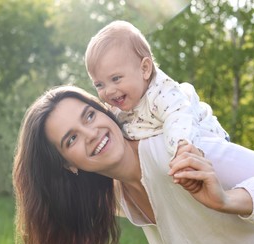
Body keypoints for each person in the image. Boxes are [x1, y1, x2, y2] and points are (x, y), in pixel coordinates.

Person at [12, 85, 254, 244]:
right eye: (72, 138)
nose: (91, 133)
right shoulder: (115, 196)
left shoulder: (174, 150)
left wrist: (228, 201)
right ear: (67, 166)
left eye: (89, 116)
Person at [85, 20, 230, 159]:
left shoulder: (162, 92)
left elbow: (179, 117)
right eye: (99, 85)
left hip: (208, 142)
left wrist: (181, 149)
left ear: (145, 69)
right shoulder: (121, 107)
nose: (109, 91)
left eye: (116, 78)